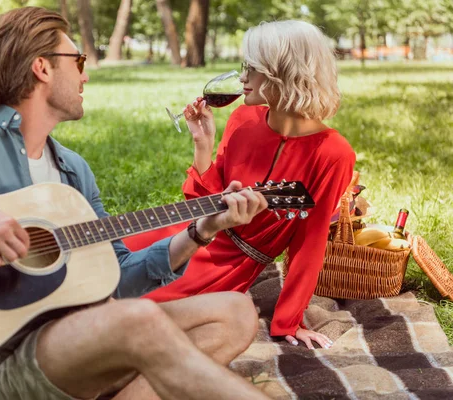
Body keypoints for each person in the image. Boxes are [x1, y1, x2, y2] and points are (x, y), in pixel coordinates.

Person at [0, 7, 271, 400]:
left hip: (59, 346)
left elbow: (119, 279)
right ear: (42, 67)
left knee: (234, 312)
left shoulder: (73, 172)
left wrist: (202, 229)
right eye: (79, 62)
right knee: (137, 321)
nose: (86, 77)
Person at [131, 20, 356, 350]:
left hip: (227, 267)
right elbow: (203, 201)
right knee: (106, 256)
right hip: (191, 234)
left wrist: (288, 321)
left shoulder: (333, 153)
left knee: (131, 306)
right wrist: (203, 144)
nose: (242, 78)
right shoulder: (241, 120)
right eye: (244, 66)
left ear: (285, 72)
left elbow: (310, 241)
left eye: (253, 68)